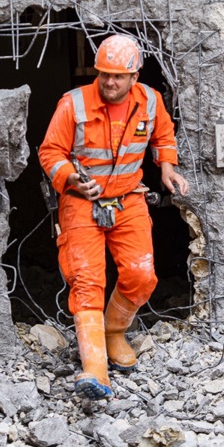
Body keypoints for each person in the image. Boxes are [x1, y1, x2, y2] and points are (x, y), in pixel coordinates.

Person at [38, 34, 189, 400]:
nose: (109, 82)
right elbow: (50, 152)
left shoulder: (150, 102)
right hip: (80, 201)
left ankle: (113, 332)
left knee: (140, 274)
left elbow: (163, 136)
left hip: (128, 198)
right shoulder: (73, 104)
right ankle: (94, 370)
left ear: (134, 77)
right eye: (103, 74)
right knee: (87, 281)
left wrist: (166, 167)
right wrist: (70, 178)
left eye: (118, 76)